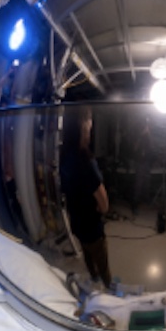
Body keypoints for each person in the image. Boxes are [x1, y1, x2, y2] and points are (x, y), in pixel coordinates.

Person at [59, 111, 113, 284]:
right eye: (88, 125)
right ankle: (108, 288)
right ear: (82, 127)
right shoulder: (86, 161)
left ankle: (94, 280)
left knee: (87, 256)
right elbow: (104, 204)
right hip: (92, 227)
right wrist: (100, 209)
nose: (90, 128)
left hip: (77, 223)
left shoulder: (64, 156)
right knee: (102, 262)